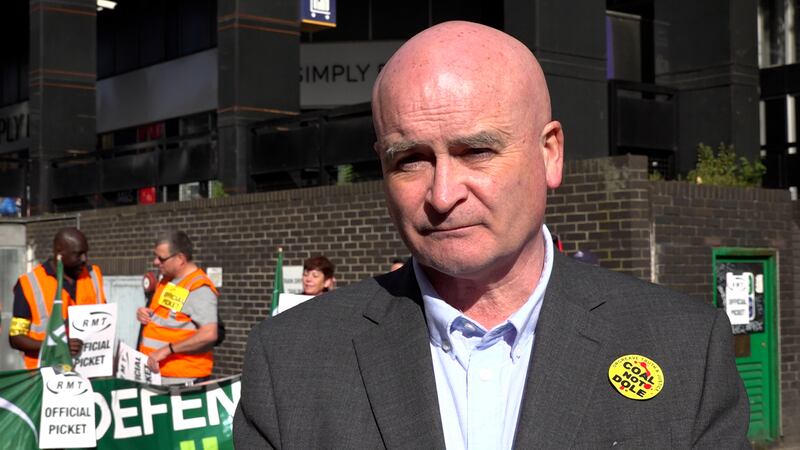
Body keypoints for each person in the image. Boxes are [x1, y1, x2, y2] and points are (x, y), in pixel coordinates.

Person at [234, 21, 749, 448]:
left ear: (550, 153)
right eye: (410, 159)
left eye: (476, 152)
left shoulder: (684, 347)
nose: (442, 194)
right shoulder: (290, 361)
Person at [8, 228, 105, 369]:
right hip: (45, 374)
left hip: (89, 372)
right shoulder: (29, 284)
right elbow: (16, 338)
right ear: (59, 253)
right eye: (78, 254)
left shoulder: (93, 275)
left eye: (86, 253)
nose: (85, 259)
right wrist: (56, 346)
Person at [137, 231, 218, 385]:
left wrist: (167, 350)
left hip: (183, 380)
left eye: (161, 258)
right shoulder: (169, 281)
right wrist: (145, 314)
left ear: (180, 258)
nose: (155, 262)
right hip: (159, 377)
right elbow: (169, 318)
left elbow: (209, 333)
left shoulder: (199, 287)